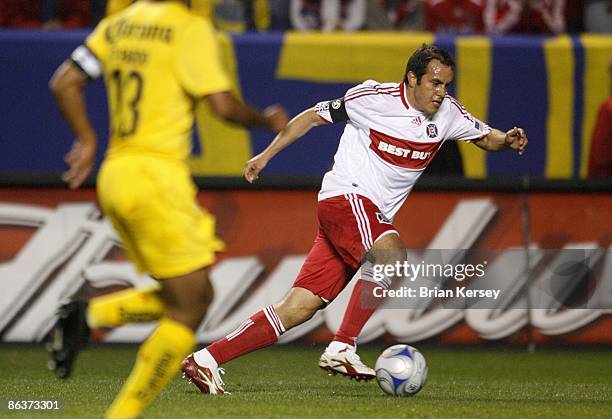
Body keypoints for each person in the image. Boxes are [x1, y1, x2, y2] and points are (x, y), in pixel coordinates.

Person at [181, 44, 528, 394]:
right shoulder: (372, 98)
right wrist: (266, 155)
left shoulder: (448, 113)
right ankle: (343, 346)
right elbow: (312, 116)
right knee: (390, 255)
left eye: (446, 85)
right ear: (411, 78)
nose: (441, 93)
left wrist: (506, 139)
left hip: (363, 216)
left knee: (299, 307)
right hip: (345, 198)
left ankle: (206, 360)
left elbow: (484, 137)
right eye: (434, 84)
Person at [46, 1, 288, 418]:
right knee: (189, 306)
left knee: (193, 296)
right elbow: (224, 107)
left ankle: (88, 316)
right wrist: (266, 120)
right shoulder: (189, 28)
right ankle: (120, 411)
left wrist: (86, 140)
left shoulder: (117, 24)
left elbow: (64, 81)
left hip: (116, 175)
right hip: (157, 178)